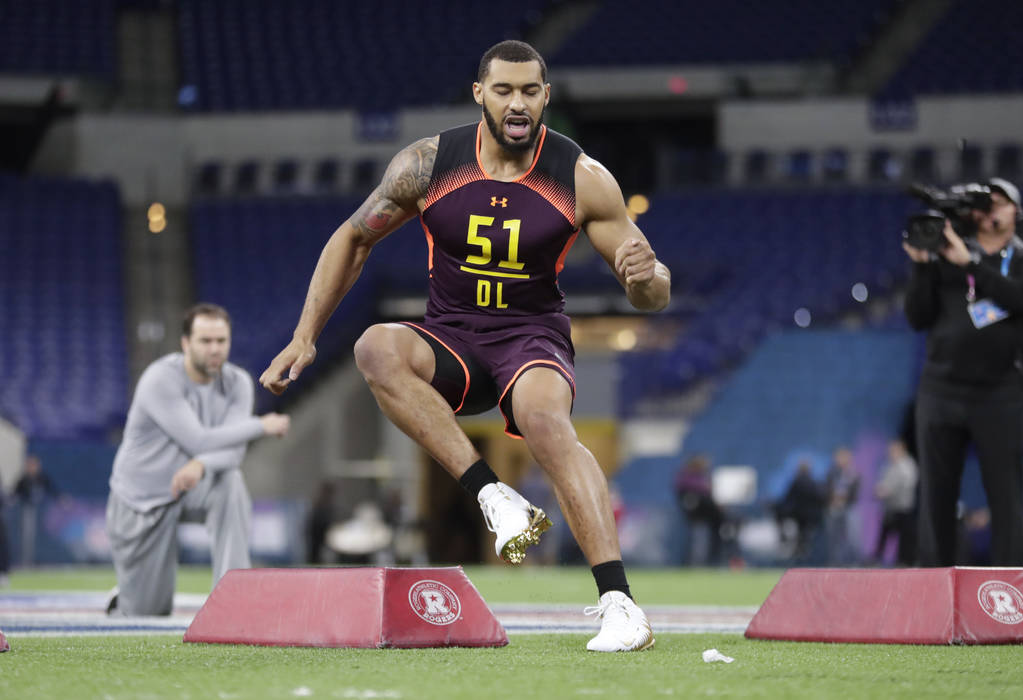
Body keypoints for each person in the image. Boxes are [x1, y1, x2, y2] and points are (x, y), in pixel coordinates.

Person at [260, 40, 670, 652]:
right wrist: (304, 337)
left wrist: (646, 282)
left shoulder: (582, 177)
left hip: (530, 337)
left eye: (530, 91)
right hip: (451, 334)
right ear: (480, 93)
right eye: (503, 90)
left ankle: (619, 603)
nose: (517, 103)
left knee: (543, 421)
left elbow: (651, 291)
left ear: (546, 97)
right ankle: (492, 496)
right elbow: (353, 237)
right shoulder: (428, 163)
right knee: (375, 348)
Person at [106, 303, 290, 615]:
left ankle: (234, 602)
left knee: (230, 482)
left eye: (222, 341)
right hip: (142, 498)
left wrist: (202, 464)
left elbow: (232, 452)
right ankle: (123, 599)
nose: (215, 349)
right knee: (148, 612)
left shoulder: (238, 383)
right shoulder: (159, 379)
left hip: (194, 483)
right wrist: (261, 425)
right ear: (185, 344)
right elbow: (198, 439)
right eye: (205, 341)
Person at [904, 177, 1023, 566]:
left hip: (1000, 393)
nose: (990, 210)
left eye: (1000, 203)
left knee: (1005, 495)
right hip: (941, 389)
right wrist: (922, 268)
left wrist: (971, 265)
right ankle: (933, 590)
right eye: (984, 204)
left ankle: (1008, 593)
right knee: (936, 494)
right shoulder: (946, 256)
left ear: (1016, 213)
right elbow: (918, 317)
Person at [873, 440, 919, 566]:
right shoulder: (889, 465)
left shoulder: (907, 465)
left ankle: (904, 561)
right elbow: (885, 481)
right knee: (884, 533)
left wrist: (888, 490)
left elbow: (907, 483)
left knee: (905, 537)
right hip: (891, 507)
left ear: (901, 450)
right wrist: (880, 489)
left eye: (893, 450)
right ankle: (877, 558)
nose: (890, 453)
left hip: (904, 507)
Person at [674, 454, 724, 565]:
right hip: (696, 517)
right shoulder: (687, 478)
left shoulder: (704, 477)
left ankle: (708, 562)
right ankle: (696, 563)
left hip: (708, 517)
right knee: (698, 540)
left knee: (704, 540)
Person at [775, 460, 826, 563]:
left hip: (799, 516)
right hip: (811, 517)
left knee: (801, 537)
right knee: (806, 538)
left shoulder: (796, 482)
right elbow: (820, 497)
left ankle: (799, 554)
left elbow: (788, 499)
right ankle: (805, 555)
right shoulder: (813, 482)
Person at [14, 454, 59, 566]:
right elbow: (15, 494)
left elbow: (52, 490)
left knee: (42, 537)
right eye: (30, 465)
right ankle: (27, 560)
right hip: (27, 511)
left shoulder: (42, 477)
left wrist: (61, 499)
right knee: (28, 536)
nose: (32, 467)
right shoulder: (23, 479)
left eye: (34, 465)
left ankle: (41, 559)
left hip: (43, 513)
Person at [825, 447, 860, 566]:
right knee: (833, 538)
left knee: (851, 537)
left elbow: (855, 492)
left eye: (843, 457)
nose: (841, 460)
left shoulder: (853, 473)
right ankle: (835, 563)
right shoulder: (832, 473)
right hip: (833, 508)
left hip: (848, 508)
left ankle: (853, 562)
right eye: (839, 457)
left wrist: (845, 499)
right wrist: (832, 499)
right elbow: (826, 488)